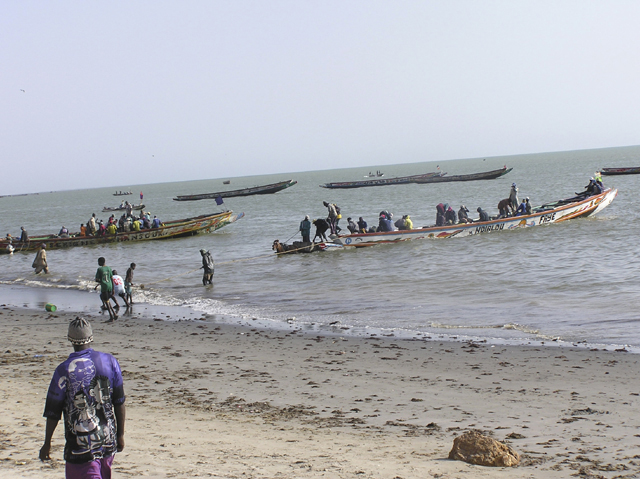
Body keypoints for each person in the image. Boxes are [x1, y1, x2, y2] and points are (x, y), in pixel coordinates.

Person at [39, 317, 126, 477]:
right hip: (107, 444)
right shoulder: (110, 362)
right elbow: (119, 402)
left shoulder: (63, 371)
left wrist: (47, 443)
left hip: (80, 448)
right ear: (91, 337)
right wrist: (120, 434)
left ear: (70, 339)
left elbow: (53, 412)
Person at [95, 257, 117, 321]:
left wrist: (100, 281)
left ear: (100, 262)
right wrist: (113, 288)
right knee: (107, 300)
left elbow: (97, 279)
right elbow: (111, 278)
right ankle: (114, 314)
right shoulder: (109, 268)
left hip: (104, 286)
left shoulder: (99, 269)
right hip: (110, 285)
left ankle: (111, 316)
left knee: (106, 302)